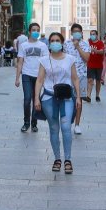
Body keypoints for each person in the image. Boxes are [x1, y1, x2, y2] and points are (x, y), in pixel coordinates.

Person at [34, 32, 81, 174]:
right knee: (54, 128)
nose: (55, 42)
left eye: (57, 40)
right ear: (49, 43)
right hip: (49, 97)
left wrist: (78, 96)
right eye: (52, 40)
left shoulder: (70, 59)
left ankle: (68, 159)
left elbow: (75, 79)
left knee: (66, 127)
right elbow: (40, 80)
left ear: (62, 43)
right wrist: (36, 97)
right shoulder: (43, 60)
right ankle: (57, 159)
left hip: (67, 97)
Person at [15, 23, 49, 132]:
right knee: (27, 99)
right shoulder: (23, 45)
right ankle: (26, 123)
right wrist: (17, 78)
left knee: (36, 99)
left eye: (38, 30)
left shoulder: (43, 46)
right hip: (26, 74)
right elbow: (20, 62)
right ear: (29, 32)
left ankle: (34, 123)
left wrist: (46, 78)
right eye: (34, 30)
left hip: (38, 76)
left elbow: (46, 62)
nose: (36, 32)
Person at [63, 23, 91, 135]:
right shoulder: (66, 44)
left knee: (79, 100)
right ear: (71, 33)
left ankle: (77, 124)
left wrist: (78, 47)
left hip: (81, 76)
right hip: (68, 77)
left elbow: (86, 58)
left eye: (79, 31)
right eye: (74, 31)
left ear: (81, 33)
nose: (77, 33)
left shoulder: (85, 44)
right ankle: (69, 120)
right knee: (69, 100)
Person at [86, 30, 104, 102]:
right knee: (90, 80)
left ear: (97, 35)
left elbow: (102, 51)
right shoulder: (88, 42)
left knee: (98, 81)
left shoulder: (100, 43)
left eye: (93, 34)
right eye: (91, 34)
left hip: (99, 65)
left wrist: (95, 51)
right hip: (90, 64)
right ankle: (88, 96)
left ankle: (97, 95)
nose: (92, 35)